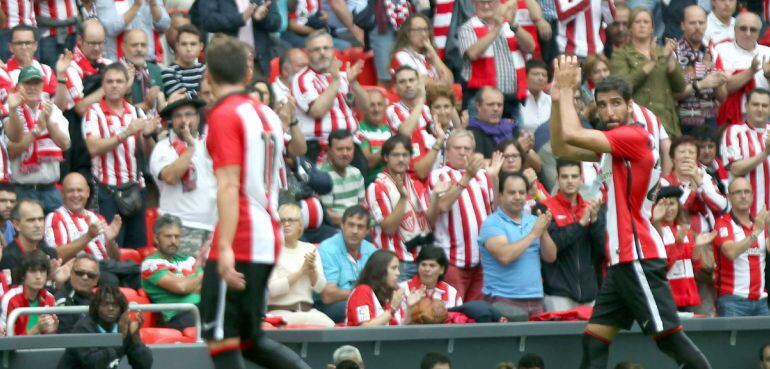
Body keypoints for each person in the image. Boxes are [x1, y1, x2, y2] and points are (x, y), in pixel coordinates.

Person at [551, 56, 711, 369]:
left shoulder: (634, 136)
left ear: (630, 105)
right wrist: (558, 100)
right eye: (602, 105)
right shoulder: (617, 144)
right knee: (594, 340)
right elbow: (561, 147)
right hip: (623, 259)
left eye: (616, 104)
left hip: (637, 255)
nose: (609, 112)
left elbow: (571, 134)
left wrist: (568, 91)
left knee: (670, 339)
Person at [198, 36, 310, 369]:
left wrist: (226, 246)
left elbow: (230, 185)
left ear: (209, 73)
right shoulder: (266, 113)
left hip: (242, 233)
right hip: (267, 230)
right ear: (247, 75)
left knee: (221, 337)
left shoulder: (224, 115)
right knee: (250, 341)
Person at [84, 62, 160, 249]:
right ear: (103, 85)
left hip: (135, 188)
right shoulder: (94, 112)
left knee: (138, 248)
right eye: (110, 81)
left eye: (119, 81)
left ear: (127, 84)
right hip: (106, 191)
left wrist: (148, 135)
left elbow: (149, 154)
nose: (115, 85)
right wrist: (125, 133)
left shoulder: (137, 112)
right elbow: (93, 147)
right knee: (112, 248)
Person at [428, 129, 495, 302]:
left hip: (481, 262)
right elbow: (442, 205)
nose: (463, 152)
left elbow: (492, 210)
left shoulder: (483, 176)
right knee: (455, 315)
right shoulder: (439, 175)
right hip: (452, 261)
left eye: (467, 149)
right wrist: (466, 178)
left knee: (478, 317)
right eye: (457, 148)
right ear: (448, 151)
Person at [478, 172, 556, 316]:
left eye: (521, 192)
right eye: (512, 192)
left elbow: (551, 257)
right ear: (500, 195)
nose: (518, 197)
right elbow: (504, 256)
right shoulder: (492, 223)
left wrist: (543, 231)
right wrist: (534, 234)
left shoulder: (533, 220)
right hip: (503, 300)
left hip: (536, 298)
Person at [45, 172, 141, 288]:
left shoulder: (97, 218)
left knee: (139, 278)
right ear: (62, 194)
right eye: (71, 191)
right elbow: (57, 256)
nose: (76, 195)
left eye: (80, 190)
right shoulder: (55, 217)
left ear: (88, 193)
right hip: (79, 271)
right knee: (110, 280)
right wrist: (88, 237)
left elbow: (114, 258)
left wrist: (110, 241)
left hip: (104, 266)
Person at [150, 91, 216, 258]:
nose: (184, 120)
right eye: (178, 116)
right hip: (177, 229)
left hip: (211, 227)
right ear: (172, 121)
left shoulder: (209, 145)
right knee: (184, 279)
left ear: (198, 118)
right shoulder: (163, 148)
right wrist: (191, 147)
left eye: (189, 115)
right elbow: (170, 176)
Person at [367, 135, 440, 281]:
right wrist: (402, 198)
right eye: (395, 155)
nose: (401, 159)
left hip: (421, 261)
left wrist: (436, 197)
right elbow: (388, 228)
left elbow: (430, 222)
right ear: (386, 157)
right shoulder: (377, 187)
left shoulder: (416, 183)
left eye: (405, 155)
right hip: (394, 263)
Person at [292, 30, 368, 164]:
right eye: (316, 49)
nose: (322, 53)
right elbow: (317, 111)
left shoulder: (345, 76)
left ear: (333, 50)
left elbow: (366, 108)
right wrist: (335, 82)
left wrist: (354, 83)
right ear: (307, 53)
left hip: (350, 143)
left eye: (326, 48)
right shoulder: (302, 79)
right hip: (319, 145)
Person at [539, 160, 605, 312]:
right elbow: (554, 245)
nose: (570, 181)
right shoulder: (545, 207)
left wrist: (594, 221)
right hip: (558, 294)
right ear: (557, 180)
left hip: (590, 294)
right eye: (565, 177)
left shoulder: (591, 207)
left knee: (591, 337)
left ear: (581, 179)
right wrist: (581, 224)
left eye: (574, 176)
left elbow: (602, 250)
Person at [611, 7, 687, 138]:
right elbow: (623, 86)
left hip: (666, 122)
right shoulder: (620, 54)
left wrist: (669, 59)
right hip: (638, 122)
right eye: (637, 22)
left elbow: (680, 87)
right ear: (630, 27)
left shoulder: (663, 51)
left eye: (646, 22)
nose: (642, 25)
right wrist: (651, 62)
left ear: (652, 28)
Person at [3, 67, 69, 215]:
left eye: (37, 83)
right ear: (19, 86)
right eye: (28, 84)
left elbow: (65, 144)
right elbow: (10, 152)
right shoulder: (9, 109)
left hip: (50, 190)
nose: (32, 88)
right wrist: (36, 131)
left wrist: (49, 123)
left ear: (42, 86)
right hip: (22, 190)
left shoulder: (52, 109)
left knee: (55, 236)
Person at [457, 0, 534, 118]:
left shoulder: (509, 26)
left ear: (498, 3)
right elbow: (473, 53)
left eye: (490, 2)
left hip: (511, 100)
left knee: (514, 136)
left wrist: (514, 25)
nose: (486, 6)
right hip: (481, 102)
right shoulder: (468, 27)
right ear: (474, 4)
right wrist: (495, 30)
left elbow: (530, 47)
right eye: (482, 2)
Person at [711, 177, 770, 317]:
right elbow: (730, 252)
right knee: (732, 340)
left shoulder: (759, 223)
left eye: (747, 192)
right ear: (729, 197)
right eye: (737, 192)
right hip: (733, 301)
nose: (743, 196)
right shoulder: (723, 223)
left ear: (752, 196)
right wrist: (756, 232)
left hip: (761, 300)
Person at [267, 204, 333, 327]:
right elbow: (273, 289)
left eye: (291, 220)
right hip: (280, 313)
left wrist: (312, 271)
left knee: (332, 327)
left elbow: (320, 288)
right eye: (282, 220)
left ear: (300, 225)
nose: (286, 224)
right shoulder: (272, 249)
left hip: (307, 311)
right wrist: (301, 272)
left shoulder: (309, 248)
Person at [56, 285, 153, 369]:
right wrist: (119, 339)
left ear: (121, 308)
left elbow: (144, 365)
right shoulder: (83, 329)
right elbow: (94, 364)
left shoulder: (123, 327)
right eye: (105, 304)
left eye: (115, 305)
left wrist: (134, 337)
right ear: (96, 307)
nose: (110, 308)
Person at [673, 5, 727, 136]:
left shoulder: (713, 52)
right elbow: (672, 94)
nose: (697, 26)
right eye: (692, 23)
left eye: (701, 22)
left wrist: (717, 82)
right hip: (684, 123)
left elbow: (723, 97)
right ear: (682, 25)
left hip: (710, 123)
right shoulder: (674, 52)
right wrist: (701, 84)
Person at [141, 214, 203, 330]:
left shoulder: (188, 260)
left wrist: (189, 283)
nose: (173, 241)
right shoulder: (150, 264)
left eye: (177, 236)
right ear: (156, 238)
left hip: (201, 308)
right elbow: (181, 287)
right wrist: (199, 277)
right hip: (179, 316)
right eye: (168, 236)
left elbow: (206, 287)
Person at [317, 205, 377, 323]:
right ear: (342, 225)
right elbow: (328, 295)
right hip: (331, 306)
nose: (355, 231)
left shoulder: (371, 250)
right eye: (351, 225)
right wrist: (360, 295)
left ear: (367, 230)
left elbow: (378, 286)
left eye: (360, 227)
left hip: (362, 301)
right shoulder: (328, 249)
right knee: (358, 309)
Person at [386, 67, 445, 181]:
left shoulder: (428, 110)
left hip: (436, 172)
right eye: (402, 82)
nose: (408, 85)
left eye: (411, 80)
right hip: (411, 177)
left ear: (418, 83)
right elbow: (405, 133)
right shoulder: (393, 110)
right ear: (396, 88)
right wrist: (421, 100)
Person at [660, 136, 728, 234]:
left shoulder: (704, 176)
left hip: (709, 236)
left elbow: (722, 205)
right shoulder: (664, 182)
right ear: (672, 157)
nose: (687, 156)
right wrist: (692, 188)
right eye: (682, 152)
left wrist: (700, 183)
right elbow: (673, 212)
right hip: (679, 238)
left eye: (691, 152)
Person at [714, 12, 770, 126]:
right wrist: (751, 71)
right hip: (730, 117)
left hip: (763, 119)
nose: (748, 33)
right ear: (734, 29)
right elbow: (723, 90)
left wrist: (768, 76)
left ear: (759, 33)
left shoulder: (768, 53)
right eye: (743, 28)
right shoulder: (721, 50)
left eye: (753, 29)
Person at [720, 89, 770, 217]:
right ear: (746, 106)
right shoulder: (734, 132)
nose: (760, 109)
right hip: (746, 215)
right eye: (755, 104)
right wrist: (765, 153)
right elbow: (735, 169)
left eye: (764, 105)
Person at [198, 0, 279, 76]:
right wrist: (240, 19)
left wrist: (263, 18)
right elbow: (208, 21)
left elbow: (276, 23)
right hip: (225, 61)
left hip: (257, 62)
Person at [345, 249, 423, 326]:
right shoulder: (362, 291)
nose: (398, 273)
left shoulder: (389, 295)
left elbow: (398, 330)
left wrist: (409, 308)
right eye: (393, 268)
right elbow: (365, 329)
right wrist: (392, 309)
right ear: (380, 270)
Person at [0, 25, 62, 107]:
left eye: (28, 43)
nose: (24, 47)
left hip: (47, 118)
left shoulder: (47, 71)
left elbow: (59, 107)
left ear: (36, 45)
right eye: (19, 43)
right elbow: (10, 108)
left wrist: (61, 75)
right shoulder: (3, 73)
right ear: (10, 47)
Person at [1, 250, 58, 336]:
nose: (38, 276)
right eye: (33, 271)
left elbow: (50, 341)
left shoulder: (50, 298)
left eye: (42, 271)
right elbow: (6, 343)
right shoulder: (10, 299)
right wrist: (36, 329)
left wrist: (53, 331)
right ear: (23, 274)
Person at [96, 0, 170, 62]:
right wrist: (136, 6)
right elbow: (111, 28)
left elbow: (164, 25)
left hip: (148, 59)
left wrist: (153, 4)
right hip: (120, 64)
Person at [389, 14, 453, 85]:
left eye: (426, 29)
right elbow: (419, 81)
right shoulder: (401, 55)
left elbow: (450, 81)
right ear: (407, 33)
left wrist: (435, 57)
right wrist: (441, 84)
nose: (424, 34)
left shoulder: (429, 56)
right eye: (418, 30)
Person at [319, 129, 366, 227]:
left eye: (349, 149)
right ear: (329, 150)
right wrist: (353, 223)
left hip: (355, 225)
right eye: (339, 149)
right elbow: (327, 214)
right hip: (334, 228)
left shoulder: (356, 173)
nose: (345, 153)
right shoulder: (322, 175)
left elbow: (362, 207)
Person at [0, 199, 58, 274]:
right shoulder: (8, 257)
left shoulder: (50, 253)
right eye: (31, 220)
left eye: (40, 219)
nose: (38, 225)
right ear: (17, 225)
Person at [121, 29, 165, 114]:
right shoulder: (116, 72)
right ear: (124, 47)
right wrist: (146, 105)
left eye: (143, 45)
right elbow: (118, 111)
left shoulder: (156, 70)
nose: (139, 49)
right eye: (134, 45)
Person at [55, 254, 100, 333]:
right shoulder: (62, 301)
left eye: (91, 275)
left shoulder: (99, 301)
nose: (85, 277)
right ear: (71, 273)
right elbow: (66, 337)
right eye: (80, 273)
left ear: (96, 280)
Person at [161, 24, 206, 97]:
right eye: (184, 44)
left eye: (193, 44)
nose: (188, 49)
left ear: (201, 46)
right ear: (177, 46)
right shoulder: (168, 72)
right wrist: (204, 94)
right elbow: (182, 100)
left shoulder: (205, 70)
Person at [357, 89, 391, 184]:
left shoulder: (391, 129)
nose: (376, 109)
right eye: (371, 105)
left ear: (385, 107)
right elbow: (367, 163)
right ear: (363, 107)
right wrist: (391, 146)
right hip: (372, 184)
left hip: (394, 182)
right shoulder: (358, 130)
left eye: (380, 104)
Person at [520, 60, 551, 133]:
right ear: (525, 77)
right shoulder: (517, 101)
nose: (541, 78)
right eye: (535, 74)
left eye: (544, 75)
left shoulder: (551, 101)